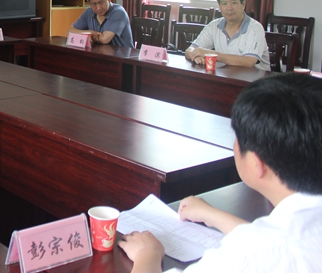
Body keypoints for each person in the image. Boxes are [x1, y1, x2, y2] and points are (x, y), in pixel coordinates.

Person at [119, 73, 322, 272]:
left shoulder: (244, 258)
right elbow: (282, 235)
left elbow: (264, 249)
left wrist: (148, 254)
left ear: (257, 163)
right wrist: (213, 215)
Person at [185, 0, 270, 70]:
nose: (229, 8)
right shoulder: (214, 26)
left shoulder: (255, 28)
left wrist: (211, 54)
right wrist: (195, 56)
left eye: (234, 3)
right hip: (226, 75)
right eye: (224, 3)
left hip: (256, 77)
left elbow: (249, 62)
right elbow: (190, 50)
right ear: (220, 6)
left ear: (243, 4)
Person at [69, 0, 133, 47]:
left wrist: (88, 36)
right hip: (99, 52)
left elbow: (104, 39)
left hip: (122, 53)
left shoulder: (119, 12)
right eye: (94, 4)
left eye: (101, 2)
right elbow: (70, 31)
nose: (99, 8)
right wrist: (90, 33)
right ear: (89, 3)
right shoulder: (88, 12)